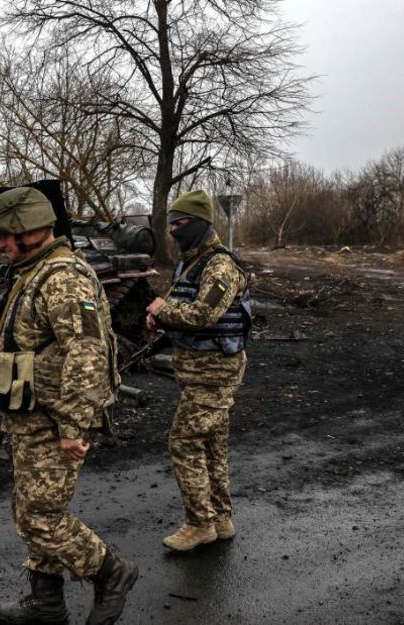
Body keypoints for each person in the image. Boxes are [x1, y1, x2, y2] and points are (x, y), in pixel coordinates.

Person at [0, 186, 138, 625]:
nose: (1, 245)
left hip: (54, 421)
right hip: (31, 416)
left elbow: (87, 352)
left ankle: (111, 571)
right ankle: (46, 602)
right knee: (30, 508)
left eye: (5, 235)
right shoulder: (35, 271)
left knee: (40, 516)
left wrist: (74, 425)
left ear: (29, 229)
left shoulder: (63, 276)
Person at [145, 189, 253, 552]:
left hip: (214, 373)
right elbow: (181, 306)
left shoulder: (220, 265)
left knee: (184, 441)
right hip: (196, 373)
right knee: (211, 447)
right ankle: (220, 518)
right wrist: (160, 317)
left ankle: (199, 524)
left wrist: (162, 310)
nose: (174, 231)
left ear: (200, 223)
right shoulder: (192, 261)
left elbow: (206, 314)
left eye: (180, 224)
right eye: (171, 224)